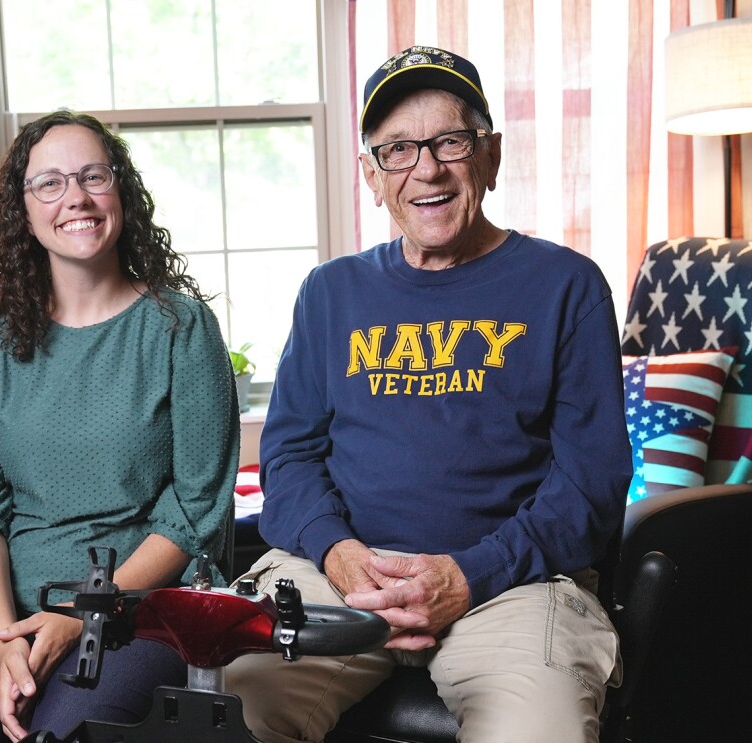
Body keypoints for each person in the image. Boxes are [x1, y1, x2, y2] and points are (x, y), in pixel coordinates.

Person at [225, 46, 631, 742]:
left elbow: (590, 484)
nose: (427, 168)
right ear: (372, 176)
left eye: (450, 141)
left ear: (491, 156)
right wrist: (339, 553)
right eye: (399, 150)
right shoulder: (331, 293)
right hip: (339, 577)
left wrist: (469, 574)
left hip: (511, 587)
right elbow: (288, 458)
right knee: (232, 706)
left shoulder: (566, 286)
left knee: (540, 731)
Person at [0, 109, 240, 743]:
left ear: (120, 191)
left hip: (135, 607)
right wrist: (4, 640)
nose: (74, 197)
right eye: (49, 182)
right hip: (0, 602)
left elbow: (195, 514)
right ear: (22, 210)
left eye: (92, 176)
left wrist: (80, 617)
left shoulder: (182, 330)